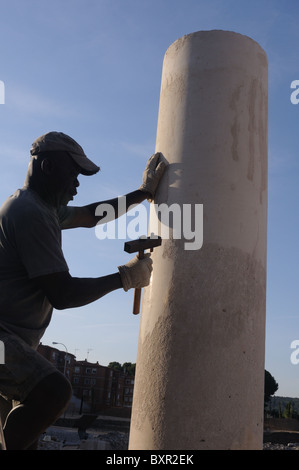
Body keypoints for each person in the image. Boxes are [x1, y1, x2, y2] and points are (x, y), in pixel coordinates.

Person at [0, 131, 166, 450]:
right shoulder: (30, 213)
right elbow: (63, 295)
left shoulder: (43, 208)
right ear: (48, 167)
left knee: (25, 435)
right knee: (52, 392)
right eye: (73, 174)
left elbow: (92, 215)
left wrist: (143, 192)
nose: (77, 184)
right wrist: (126, 278)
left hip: (15, 342)